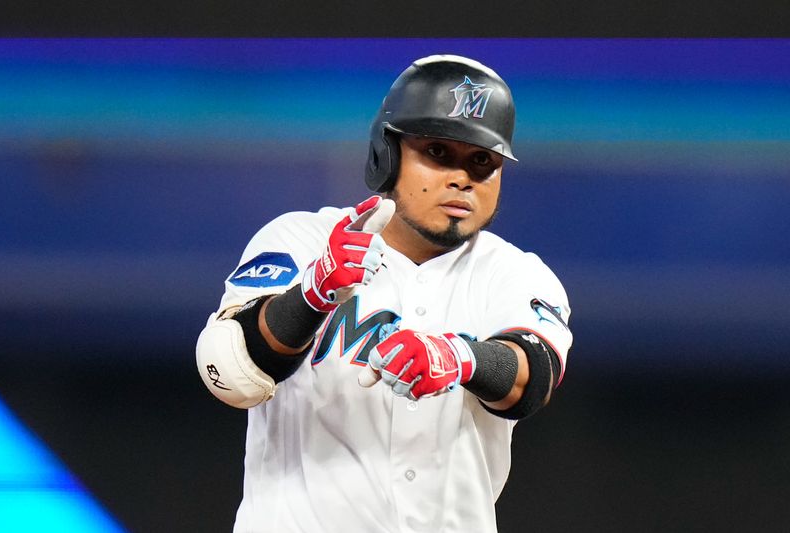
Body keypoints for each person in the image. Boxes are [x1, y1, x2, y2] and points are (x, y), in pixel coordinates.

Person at [196, 54, 573, 533]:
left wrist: (462, 357)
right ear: (387, 153)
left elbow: (532, 376)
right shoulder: (300, 241)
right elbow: (228, 373)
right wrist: (311, 295)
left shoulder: (516, 273)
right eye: (438, 152)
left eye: (483, 162)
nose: (462, 178)